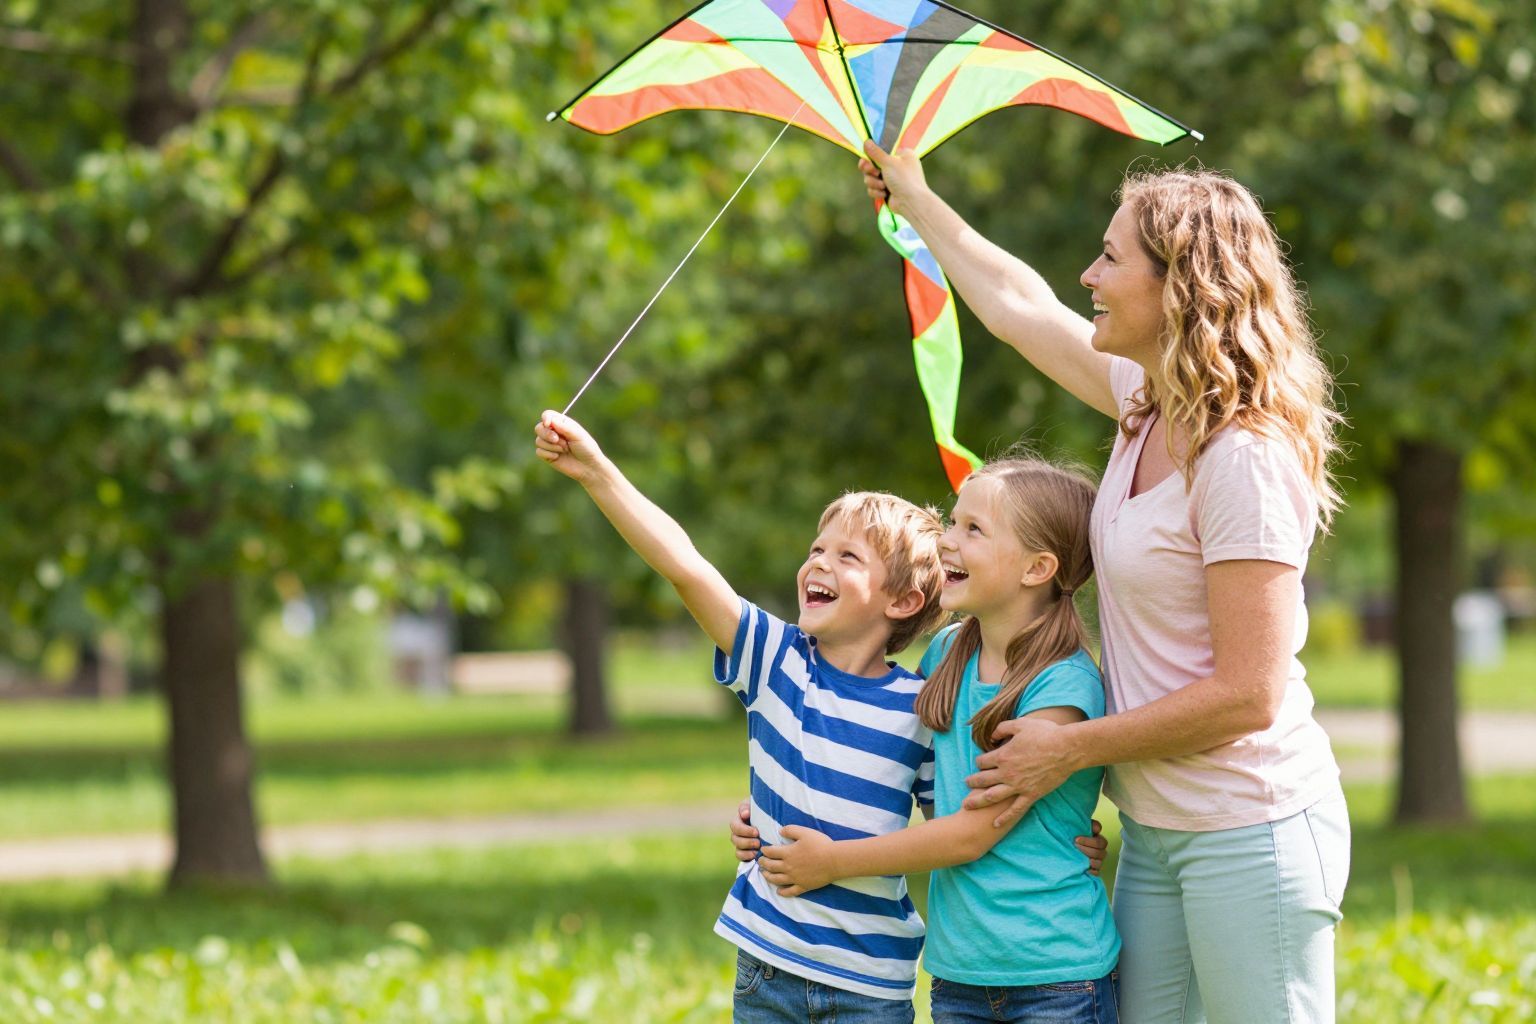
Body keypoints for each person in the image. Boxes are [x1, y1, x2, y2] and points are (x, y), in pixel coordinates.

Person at [852, 143, 1351, 1024]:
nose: (1087, 273)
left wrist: (1073, 749)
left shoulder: (1243, 457)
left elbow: (1248, 694)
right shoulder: (1143, 405)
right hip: (1156, 829)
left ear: (1181, 287)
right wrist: (917, 200)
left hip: (1250, 828)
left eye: (1112, 258)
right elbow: (1017, 305)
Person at [535, 409, 949, 1021]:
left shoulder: (922, 707)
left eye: (848, 557)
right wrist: (598, 473)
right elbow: (686, 566)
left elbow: (955, 832)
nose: (819, 563)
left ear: (903, 601)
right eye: (817, 548)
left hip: (870, 985)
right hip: (767, 968)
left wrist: (1066, 845)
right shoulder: (777, 661)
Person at [753, 455, 1121, 1024]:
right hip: (958, 973)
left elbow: (972, 834)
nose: (947, 541)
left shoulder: (1062, 684)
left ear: (1036, 568)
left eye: (973, 529)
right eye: (953, 523)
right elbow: (885, 757)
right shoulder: (948, 654)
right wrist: (769, 810)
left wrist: (831, 863)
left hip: (1055, 974)